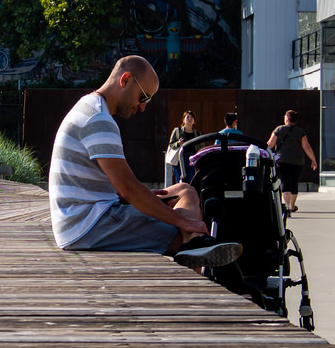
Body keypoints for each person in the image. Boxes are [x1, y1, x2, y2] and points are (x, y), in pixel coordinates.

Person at [49, 55, 242, 271]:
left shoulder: (92, 108)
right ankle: (195, 265)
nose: (142, 107)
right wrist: (183, 222)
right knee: (184, 237)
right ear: (126, 80)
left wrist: (146, 199)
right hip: (88, 225)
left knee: (185, 190)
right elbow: (129, 189)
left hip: (84, 219)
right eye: (144, 97)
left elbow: (122, 190)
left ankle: (195, 243)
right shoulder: (98, 119)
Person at [267, 109, 317, 213]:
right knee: (294, 182)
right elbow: (307, 147)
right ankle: (292, 205)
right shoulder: (300, 132)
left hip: (282, 160)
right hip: (298, 161)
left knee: (285, 182)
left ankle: (286, 206)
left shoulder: (279, 129)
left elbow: (270, 144)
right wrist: (313, 160)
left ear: (288, 118)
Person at [167, 110, 198, 185]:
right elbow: (171, 145)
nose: (190, 119)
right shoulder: (177, 131)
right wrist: (178, 143)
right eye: (187, 117)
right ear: (183, 119)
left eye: (192, 117)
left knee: (192, 181)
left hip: (192, 158)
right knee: (180, 181)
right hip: (180, 158)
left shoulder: (197, 133)